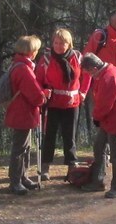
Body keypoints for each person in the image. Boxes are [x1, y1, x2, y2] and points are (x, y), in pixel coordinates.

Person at [35, 29, 91, 179]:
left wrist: (83, 92)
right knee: (49, 136)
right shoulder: (46, 58)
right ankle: (45, 166)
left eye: (62, 43)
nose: (58, 46)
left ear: (69, 43)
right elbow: (37, 79)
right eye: (56, 43)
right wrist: (43, 92)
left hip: (72, 104)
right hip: (52, 103)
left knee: (70, 136)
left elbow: (88, 75)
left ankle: (72, 165)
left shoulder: (78, 57)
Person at [78, 53, 116, 198]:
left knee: (115, 154)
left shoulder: (110, 78)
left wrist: (96, 117)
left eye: (89, 72)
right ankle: (97, 181)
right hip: (108, 120)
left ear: (95, 68)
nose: (89, 76)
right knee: (99, 147)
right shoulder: (107, 73)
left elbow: (105, 104)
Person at [4, 35, 48, 196]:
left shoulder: (19, 65)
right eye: (35, 49)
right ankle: (15, 180)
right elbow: (35, 95)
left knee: (25, 146)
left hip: (21, 112)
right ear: (31, 51)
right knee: (20, 148)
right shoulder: (23, 69)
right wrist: (43, 95)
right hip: (22, 112)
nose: (37, 52)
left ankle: (22, 177)